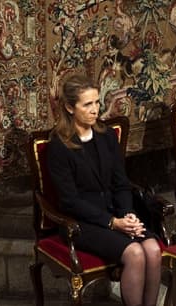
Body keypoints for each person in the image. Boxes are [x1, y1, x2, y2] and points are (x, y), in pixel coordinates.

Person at [47, 74, 162, 306]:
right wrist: (112, 222)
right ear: (70, 107)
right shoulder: (58, 147)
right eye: (87, 104)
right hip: (83, 223)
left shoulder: (107, 136)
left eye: (97, 102)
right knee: (135, 254)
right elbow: (69, 201)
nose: (95, 109)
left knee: (152, 248)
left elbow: (121, 183)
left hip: (116, 214)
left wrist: (128, 215)